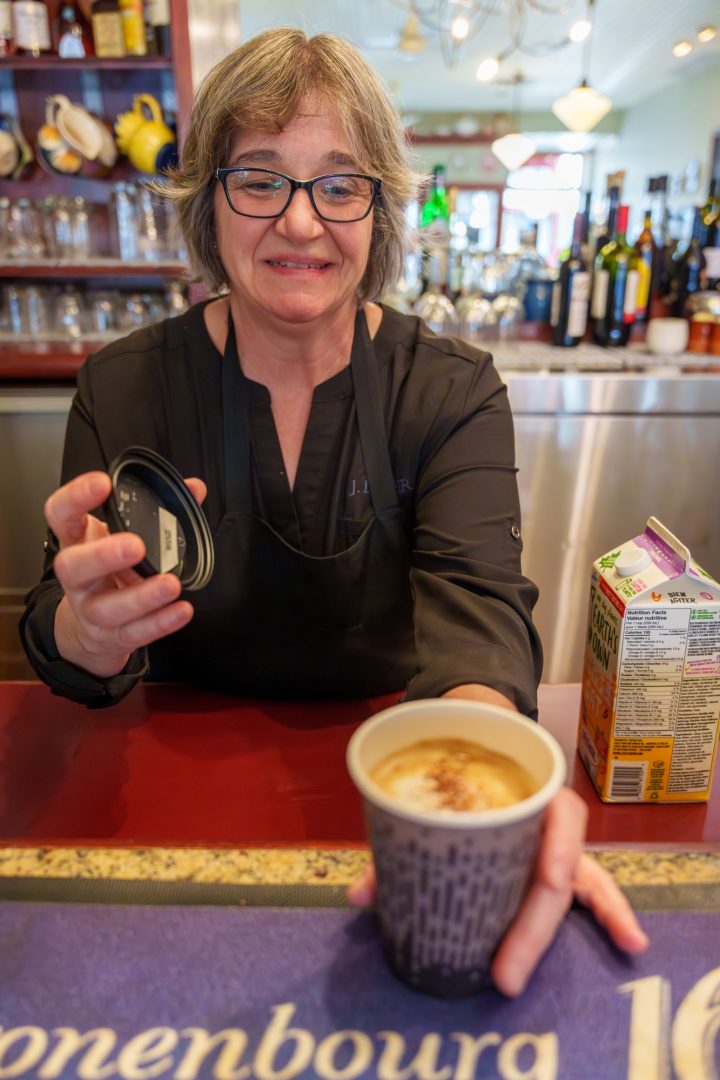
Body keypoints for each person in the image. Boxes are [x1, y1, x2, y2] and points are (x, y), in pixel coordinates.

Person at [20, 27, 647, 995]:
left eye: (340, 184)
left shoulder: (453, 392)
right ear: (211, 200)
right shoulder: (124, 387)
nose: (302, 224)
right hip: (169, 822)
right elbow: (59, 639)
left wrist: (485, 803)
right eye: (261, 179)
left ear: (380, 206)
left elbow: (483, 637)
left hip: (396, 815)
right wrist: (84, 631)